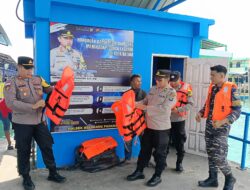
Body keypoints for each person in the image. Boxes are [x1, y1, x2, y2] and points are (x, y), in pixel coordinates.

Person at [4, 56, 66, 190]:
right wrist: (33, 106)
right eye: (26, 68)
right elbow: (11, 103)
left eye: (31, 68)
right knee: (24, 150)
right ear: (19, 67)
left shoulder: (38, 79)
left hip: (39, 121)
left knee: (47, 145)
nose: (29, 71)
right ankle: (26, 177)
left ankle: (52, 172)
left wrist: (61, 87)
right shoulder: (11, 82)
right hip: (22, 123)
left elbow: (50, 90)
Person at [126, 70, 176, 187]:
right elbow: (145, 100)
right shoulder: (153, 89)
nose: (157, 81)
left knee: (159, 154)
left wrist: (144, 107)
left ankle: (157, 176)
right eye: (156, 79)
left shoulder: (171, 92)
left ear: (167, 79)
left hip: (161, 129)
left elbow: (164, 109)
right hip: (148, 126)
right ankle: (139, 171)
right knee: (144, 151)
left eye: (160, 80)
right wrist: (134, 103)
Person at [195, 65, 241, 190]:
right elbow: (208, 105)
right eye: (211, 75)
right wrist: (200, 112)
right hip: (210, 126)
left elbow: (237, 111)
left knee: (219, 156)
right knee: (210, 153)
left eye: (213, 75)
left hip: (222, 128)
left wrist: (223, 121)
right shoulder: (213, 88)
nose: (211, 77)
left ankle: (230, 178)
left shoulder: (232, 89)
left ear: (221, 76)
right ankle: (213, 179)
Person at [169, 71, 194, 172]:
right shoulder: (166, 87)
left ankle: (179, 163)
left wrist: (178, 110)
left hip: (179, 120)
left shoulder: (187, 89)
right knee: (164, 142)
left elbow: (190, 104)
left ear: (180, 79)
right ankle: (161, 162)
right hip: (166, 119)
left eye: (175, 81)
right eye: (172, 81)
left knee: (180, 142)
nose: (173, 83)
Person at [124, 74, 146, 162]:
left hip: (140, 123)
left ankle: (144, 160)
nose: (140, 83)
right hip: (129, 123)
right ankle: (127, 159)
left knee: (144, 143)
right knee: (128, 142)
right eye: (137, 81)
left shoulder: (143, 93)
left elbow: (146, 107)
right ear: (132, 82)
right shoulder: (126, 94)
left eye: (140, 81)